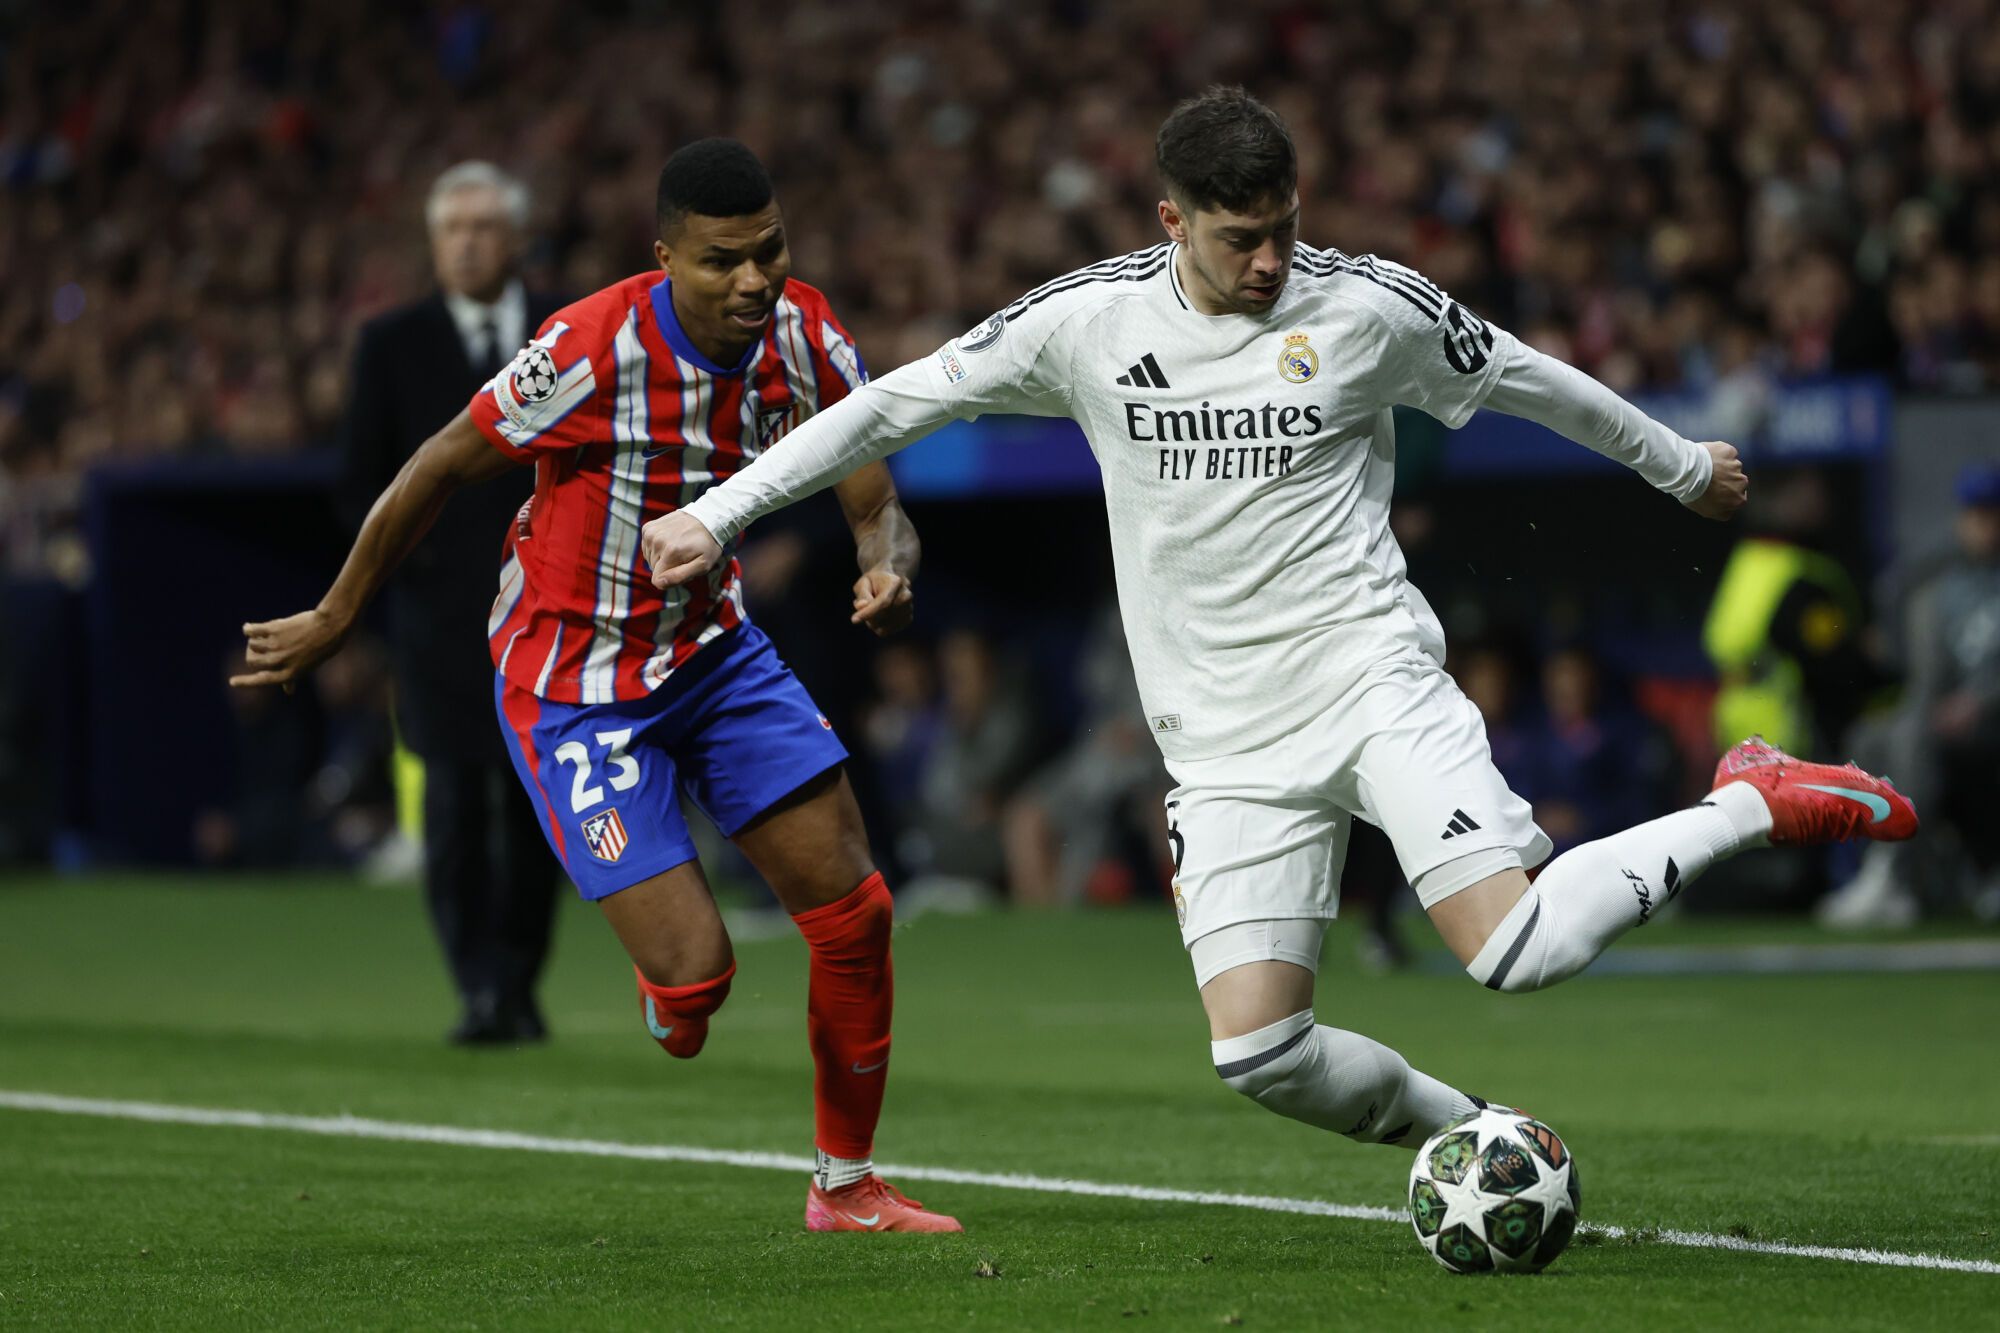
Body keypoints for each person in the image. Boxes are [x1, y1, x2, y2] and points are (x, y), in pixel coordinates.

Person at [641, 90, 1918, 1156]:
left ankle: (1750, 799)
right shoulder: (1087, 324)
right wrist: (723, 512)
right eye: (1241, 236)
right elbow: (893, 405)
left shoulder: (1365, 308)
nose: (1270, 260)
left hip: (1367, 677)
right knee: (1259, 1050)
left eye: (1284, 229)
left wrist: (1677, 467)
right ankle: (1479, 1135)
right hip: (1219, 740)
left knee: (1514, 951)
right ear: (1171, 221)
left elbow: (1532, 380)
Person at [234, 140, 958, 1232]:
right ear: (662, 254)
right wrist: (339, 613)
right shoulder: (588, 344)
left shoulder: (807, 335)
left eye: (768, 252)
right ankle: (668, 972)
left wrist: (884, 565)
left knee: (854, 913)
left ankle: (844, 1185)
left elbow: (871, 498)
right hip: (573, 681)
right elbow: (435, 461)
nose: (752, 281)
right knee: (697, 984)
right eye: (721, 261)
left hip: (713, 653)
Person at [338, 162, 567, 1045]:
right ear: (435, 245)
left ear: (515, 239)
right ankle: (478, 984)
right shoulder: (390, 344)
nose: (467, 242)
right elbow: (358, 482)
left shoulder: (565, 330)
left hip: (551, 617)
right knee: (455, 807)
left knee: (536, 808)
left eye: (483, 226)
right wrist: (412, 577)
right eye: (452, 229)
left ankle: (518, 980)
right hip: (439, 627)